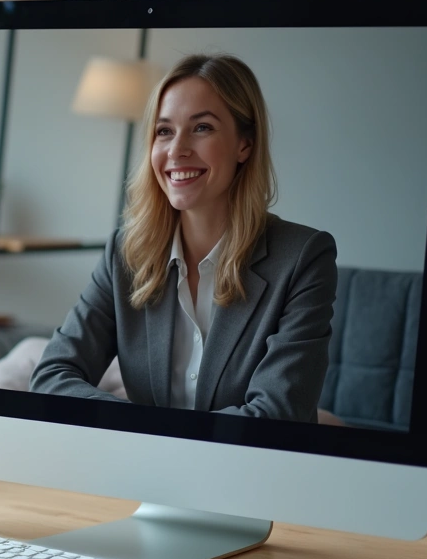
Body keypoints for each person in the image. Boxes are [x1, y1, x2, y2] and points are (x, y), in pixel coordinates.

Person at [31, 53, 337, 423]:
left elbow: (279, 414)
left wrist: (161, 437)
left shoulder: (303, 258)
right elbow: (52, 374)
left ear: (245, 144)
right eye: (164, 131)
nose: (177, 150)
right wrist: (140, 430)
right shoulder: (125, 253)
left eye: (202, 128)